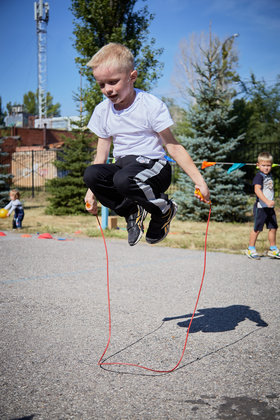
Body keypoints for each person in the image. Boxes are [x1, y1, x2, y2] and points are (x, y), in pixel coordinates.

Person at [83, 43, 210, 246]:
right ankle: (131, 212)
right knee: (91, 173)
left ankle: (164, 210)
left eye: (113, 82)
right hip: (124, 167)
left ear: (132, 77)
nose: (107, 90)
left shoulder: (150, 105)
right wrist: (92, 190)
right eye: (101, 84)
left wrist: (199, 181)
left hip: (154, 167)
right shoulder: (102, 111)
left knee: (123, 178)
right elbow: (101, 155)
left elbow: (174, 146)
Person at [245, 152, 279, 259]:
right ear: (258, 165)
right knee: (257, 229)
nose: (266, 168)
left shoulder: (269, 175)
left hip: (269, 208)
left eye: (268, 165)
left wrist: (270, 203)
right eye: (263, 165)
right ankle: (251, 249)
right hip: (261, 207)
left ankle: (273, 249)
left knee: (273, 228)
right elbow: (257, 190)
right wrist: (267, 201)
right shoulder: (259, 176)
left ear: (271, 165)